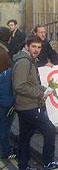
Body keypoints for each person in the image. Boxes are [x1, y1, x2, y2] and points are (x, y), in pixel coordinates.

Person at [12, 35, 58, 170]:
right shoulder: (24, 62)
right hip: (29, 106)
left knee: (25, 137)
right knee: (49, 130)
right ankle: (48, 162)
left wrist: (45, 88)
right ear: (27, 46)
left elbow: (31, 83)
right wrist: (41, 93)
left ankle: (23, 166)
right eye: (33, 46)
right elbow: (19, 86)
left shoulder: (29, 60)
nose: (36, 49)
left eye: (39, 47)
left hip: (25, 105)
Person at [0, 26, 16, 161]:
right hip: (5, 99)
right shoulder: (3, 54)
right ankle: (5, 151)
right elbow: (6, 79)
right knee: (4, 126)